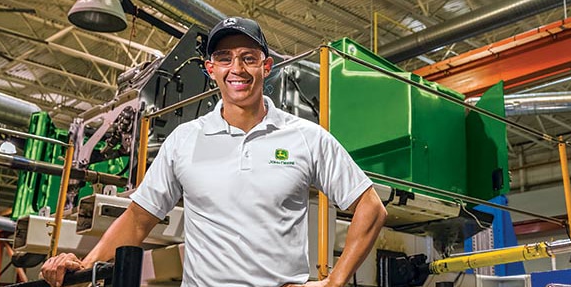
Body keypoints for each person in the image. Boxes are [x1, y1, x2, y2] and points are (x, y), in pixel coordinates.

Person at [40, 17, 387, 287]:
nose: (237, 69)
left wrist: (335, 280)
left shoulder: (307, 137)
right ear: (211, 70)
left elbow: (370, 208)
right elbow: (138, 219)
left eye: (248, 58)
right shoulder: (184, 139)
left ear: (266, 68)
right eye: (224, 58)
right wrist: (85, 266)